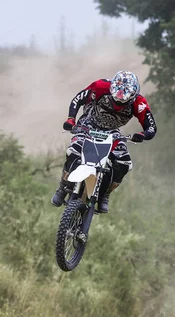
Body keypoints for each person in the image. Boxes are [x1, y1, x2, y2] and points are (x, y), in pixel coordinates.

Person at [51, 70, 158, 213]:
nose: (118, 101)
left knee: (124, 163)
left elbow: (151, 127)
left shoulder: (140, 104)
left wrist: (142, 135)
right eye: (116, 96)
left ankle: (105, 195)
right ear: (113, 87)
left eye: (123, 99)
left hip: (112, 133)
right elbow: (78, 99)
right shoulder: (100, 86)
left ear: (132, 96)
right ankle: (62, 187)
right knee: (73, 151)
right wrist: (71, 119)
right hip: (88, 125)